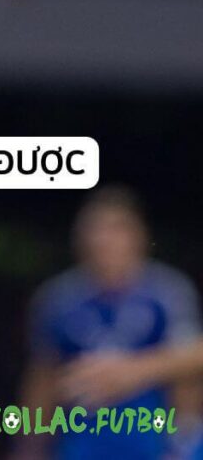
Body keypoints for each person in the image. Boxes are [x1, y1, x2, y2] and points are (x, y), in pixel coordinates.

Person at [17, 186, 202, 460]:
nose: (104, 240)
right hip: (84, 437)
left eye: (117, 229)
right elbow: (43, 376)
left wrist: (133, 372)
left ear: (139, 235)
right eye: (94, 230)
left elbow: (193, 359)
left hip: (153, 433)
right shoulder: (57, 299)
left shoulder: (168, 291)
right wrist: (28, 447)